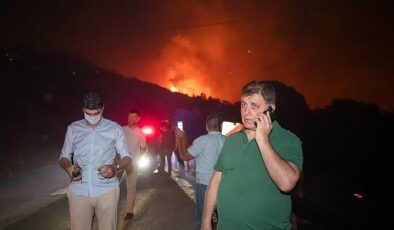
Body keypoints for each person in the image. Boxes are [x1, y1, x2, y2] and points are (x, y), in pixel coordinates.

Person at [201, 81, 303, 230]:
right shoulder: (232, 140)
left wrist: (262, 140)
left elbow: (287, 183)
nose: (246, 112)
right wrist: (205, 222)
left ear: (270, 110)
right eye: (243, 105)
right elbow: (216, 180)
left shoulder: (288, 140)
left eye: (254, 106)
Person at [59, 91, 131, 230]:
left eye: (96, 113)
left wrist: (114, 167)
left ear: (102, 109)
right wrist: (67, 167)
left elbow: (127, 158)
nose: (92, 117)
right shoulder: (73, 129)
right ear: (82, 110)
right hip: (79, 189)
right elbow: (63, 157)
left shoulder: (114, 128)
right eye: (88, 113)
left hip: (107, 190)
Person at [175, 114, 226, 230]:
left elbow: (185, 156)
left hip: (205, 184)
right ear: (220, 126)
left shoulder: (202, 140)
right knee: (222, 218)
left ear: (207, 126)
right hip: (223, 184)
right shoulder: (227, 141)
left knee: (203, 218)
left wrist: (182, 139)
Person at [119, 109, 147, 220]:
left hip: (133, 163)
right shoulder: (122, 129)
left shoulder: (140, 132)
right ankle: (108, 207)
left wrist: (138, 158)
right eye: (129, 117)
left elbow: (143, 148)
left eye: (133, 117)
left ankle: (129, 211)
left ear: (138, 119)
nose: (130, 119)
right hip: (120, 161)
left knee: (131, 187)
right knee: (112, 184)